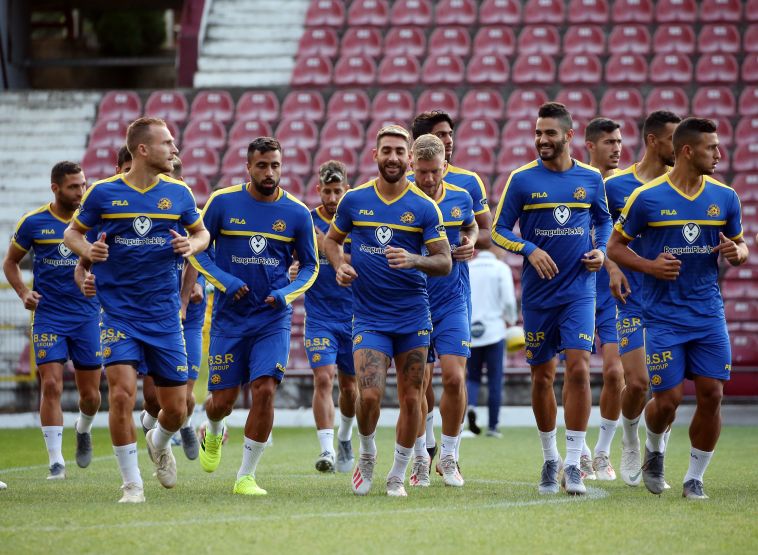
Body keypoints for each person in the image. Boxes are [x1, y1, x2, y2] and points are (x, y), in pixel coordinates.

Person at [64, 117, 210, 503]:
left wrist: (191, 246)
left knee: (176, 409)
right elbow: (71, 233)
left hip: (164, 317)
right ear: (142, 150)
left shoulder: (179, 193)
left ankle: (158, 442)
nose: (174, 149)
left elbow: (202, 233)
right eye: (167, 143)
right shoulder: (103, 193)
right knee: (121, 396)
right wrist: (88, 251)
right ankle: (132, 485)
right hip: (119, 315)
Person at [608, 117, 748, 500]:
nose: (719, 154)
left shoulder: (725, 197)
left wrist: (738, 253)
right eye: (711, 148)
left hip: (708, 314)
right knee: (667, 401)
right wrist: (650, 266)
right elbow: (614, 247)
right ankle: (653, 447)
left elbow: (741, 245)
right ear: (688, 150)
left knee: (712, 394)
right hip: (663, 316)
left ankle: (694, 478)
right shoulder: (647, 197)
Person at [323, 125, 452, 497]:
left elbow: (444, 261)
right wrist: (339, 265)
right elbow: (331, 241)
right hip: (370, 317)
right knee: (369, 395)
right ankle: (366, 454)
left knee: (412, 397)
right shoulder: (354, 201)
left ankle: (398, 472)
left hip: (413, 316)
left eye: (399, 151)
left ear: (409, 158)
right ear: (375, 155)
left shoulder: (424, 207)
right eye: (387, 151)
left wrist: (414, 259)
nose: (393, 157)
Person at [491, 102, 612, 496]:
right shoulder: (521, 179)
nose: (542, 139)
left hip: (579, 291)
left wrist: (602, 251)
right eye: (538, 133)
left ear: (569, 136)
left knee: (578, 369)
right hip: (538, 296)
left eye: (549, 133)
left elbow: (604, 220)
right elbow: (498, 230)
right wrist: (529, 249)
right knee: (542, 376)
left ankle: (574, 464)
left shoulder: (591, 178)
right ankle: (550, 457)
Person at [189, 137, 319, 496]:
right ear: (248, 167)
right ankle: (213, 429)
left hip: (271, 318)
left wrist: (286, 293)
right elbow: (197, 250)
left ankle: (246, 476)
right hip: (229, 318)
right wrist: (226, 282)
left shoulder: (297, 213)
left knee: (264, 390)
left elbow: (311, 266)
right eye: (262, 165)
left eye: (275, 165)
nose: (269, 172)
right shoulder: (222, 202)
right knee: (222, 402)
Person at [3, 161, 102, 480]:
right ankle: (56, 461)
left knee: (91, 395)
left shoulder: (93, 222)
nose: (81, 192)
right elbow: (10, 262)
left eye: (83, 185)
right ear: (55, 188)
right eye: (74, 186)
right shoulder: (33, 222)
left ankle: (83, 428)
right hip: (49, 316)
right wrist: (23, 293)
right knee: (50, 384)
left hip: (87, 315)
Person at [409, 110, 492, 461]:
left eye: (449, 134)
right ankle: (425, 444)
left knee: (456, 377)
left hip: (454, 294)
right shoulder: (402, 192)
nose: (447, 140)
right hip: (414, 298)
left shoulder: (466, 186)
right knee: (421, 381)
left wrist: (470, 241)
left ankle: (449, 455)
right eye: (440, 134)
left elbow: (484, 231)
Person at [605, 110, 682, 487]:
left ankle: (658, 453)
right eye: (673, 141)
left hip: (673, 302)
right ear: (653, 141)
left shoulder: (684, 186)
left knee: (667, 388)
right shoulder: (615, 185)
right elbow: (598, 232)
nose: (681, 148)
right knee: (636, 383)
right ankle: (630, 439)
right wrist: (612, 267)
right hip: (632, 298)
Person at [298, 160, 358, 473]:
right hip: (320, 315)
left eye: (338, 191)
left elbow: (367, 263)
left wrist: (328, 248)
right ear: (318, 189)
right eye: (327, 191)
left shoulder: (358, 220)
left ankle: (345, 437)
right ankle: (327, 451)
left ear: (346, 189)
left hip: (355, 315)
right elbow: (293, 258)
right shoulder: (306, 221)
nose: (333, 198)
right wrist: (294, 268)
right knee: (323, 378)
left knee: (350, 387)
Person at [582, 117, 625, 480]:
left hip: (613, 293)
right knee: (576, 372)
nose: (617, 148)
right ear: (590, 146)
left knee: (615, 372)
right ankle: (578, 450)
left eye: (619, 142)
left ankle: (602, 452)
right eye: (609, 142)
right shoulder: (576, 181)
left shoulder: (627, 186)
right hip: (577, 288)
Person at [466, 245, 518, 438]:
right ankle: (493, 426)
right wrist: (511, 320)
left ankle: (471, 408)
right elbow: (509, 301)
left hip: (471, 331)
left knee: (472, 377)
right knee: (495, 380)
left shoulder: (469, 267)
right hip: (495, 331)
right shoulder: (501, 268)